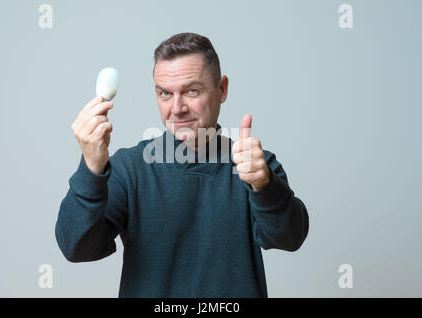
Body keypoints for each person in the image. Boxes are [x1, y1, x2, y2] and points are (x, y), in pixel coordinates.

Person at [55, 32, 309, 298]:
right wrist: (91, 168)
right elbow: (76, 247)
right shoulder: (129, 169)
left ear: (221, 90)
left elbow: (290, 239)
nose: (177, 108)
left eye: (192, 91)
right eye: (165, 93)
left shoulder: (255, 166)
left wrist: (265, 185)